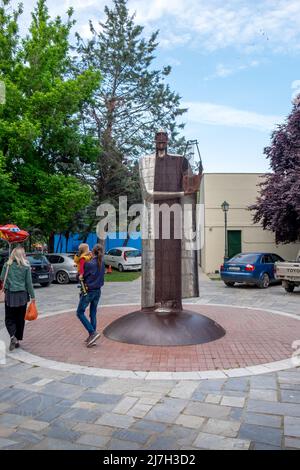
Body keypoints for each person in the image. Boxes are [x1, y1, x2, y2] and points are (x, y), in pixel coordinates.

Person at [0, 246, 35, 351]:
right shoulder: (26, 266)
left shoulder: (7, 265)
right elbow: (29, 283)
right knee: (20, 319)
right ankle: (17, 339)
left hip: (10, 295)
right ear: (21, 255)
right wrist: (33, 296)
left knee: (9, 318)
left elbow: (2, 278)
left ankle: (12, 337)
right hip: (22, 296)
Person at [76, 244, 105, 347]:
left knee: (79, 312)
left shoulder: (89, 264)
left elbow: (80, 276)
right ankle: (92, 337)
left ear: (92, 251)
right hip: (98, 291)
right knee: (93, 313)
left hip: (89, 291)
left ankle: (92, 333)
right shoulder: (102, 262)